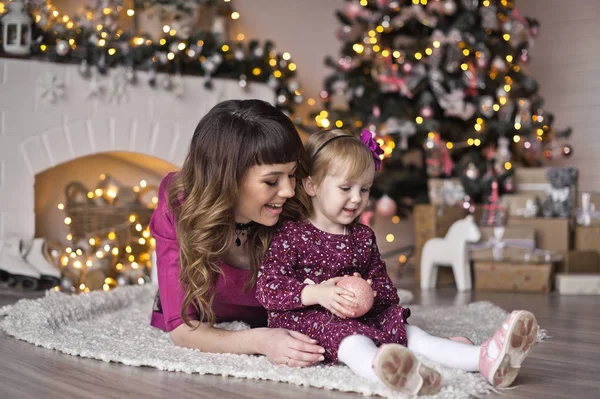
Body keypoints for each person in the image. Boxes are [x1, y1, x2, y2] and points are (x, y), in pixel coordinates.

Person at [256, 129, 539, 395]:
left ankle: (484, 358)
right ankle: (384, 371)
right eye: (346, 188)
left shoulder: (362, 236)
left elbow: (384, 285)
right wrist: (317, 293)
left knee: (411, 333)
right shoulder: (291, 234)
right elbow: (267, 288)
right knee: (352, 341)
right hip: (311, 319)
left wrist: (370, 293)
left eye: (365, 190)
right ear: (312, 185)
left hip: (361, 313)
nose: (357, 199)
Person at [149, 99, 325, 367]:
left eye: (292, 174)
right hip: (211, 322)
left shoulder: (296, 205)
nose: (289, 190)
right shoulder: (178, 203)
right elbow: (183, 329)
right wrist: (261, 342)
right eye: (271, 180)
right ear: (226, 179)